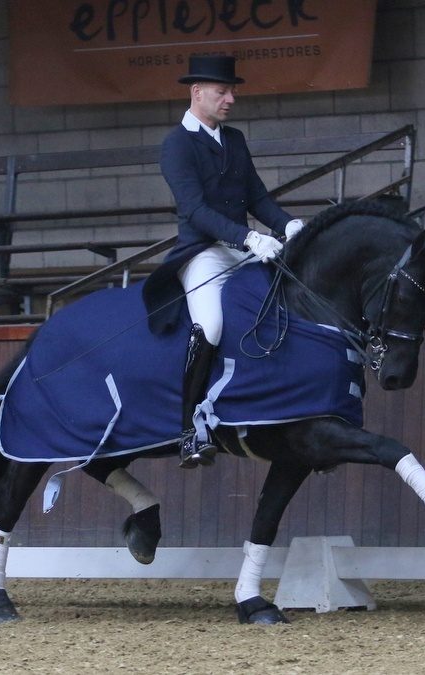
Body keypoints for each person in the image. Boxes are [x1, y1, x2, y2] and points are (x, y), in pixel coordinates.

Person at [141, 55, 303, 469]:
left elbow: (258, 197)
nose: (231, 99)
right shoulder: (176, 144)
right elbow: (194, 210)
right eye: (222, 91)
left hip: (243, 248)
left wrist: (290, 227)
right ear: (197, 92)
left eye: (232, 91)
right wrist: (249, 236)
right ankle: (187, 430)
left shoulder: (234, 139)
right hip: (203, 253)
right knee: (210, 324)